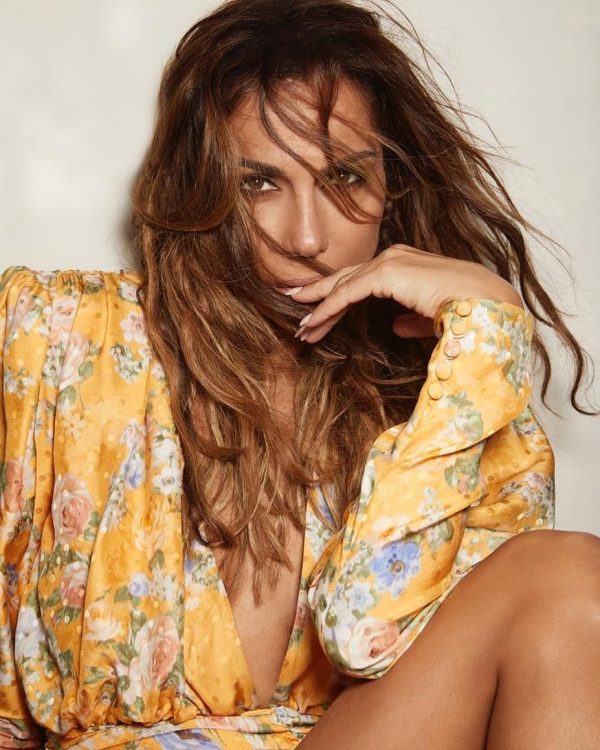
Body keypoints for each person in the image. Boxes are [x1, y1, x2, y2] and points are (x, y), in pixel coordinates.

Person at [1, 0, 599, 748]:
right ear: (199, 186)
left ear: (393, 186)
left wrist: (487, 330)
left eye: (344, 176)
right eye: (259, 183)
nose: (308, 237)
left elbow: (364, 639)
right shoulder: (57, 340)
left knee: (570, 581)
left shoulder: (457, 395)